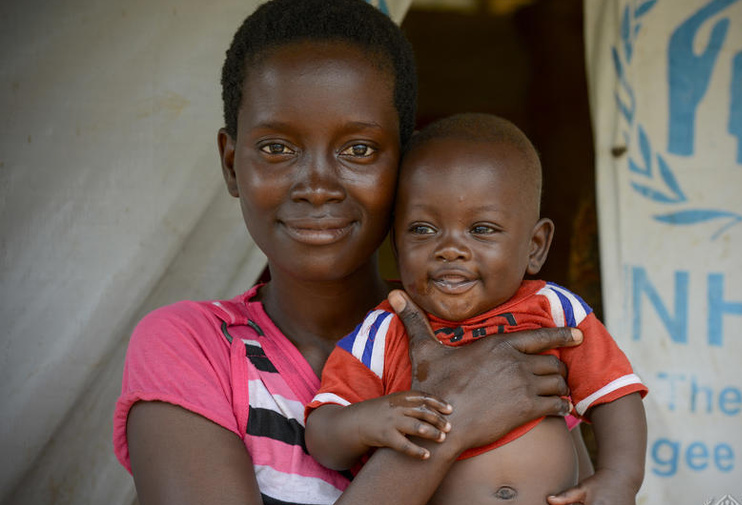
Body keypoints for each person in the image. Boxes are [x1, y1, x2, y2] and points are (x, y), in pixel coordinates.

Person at [113, 1, 581, 504]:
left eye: (358, 149)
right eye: (277, 148)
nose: (316, 186)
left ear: (405, 168)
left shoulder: (498, 334)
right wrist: (453, 418)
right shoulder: (193, 348)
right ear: (232, 164)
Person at [305, 113, 649, 505]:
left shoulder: (553, 309)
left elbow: (614, 393)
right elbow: (323, 436)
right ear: (396, 245)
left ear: (535, 246)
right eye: (422, 229)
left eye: (481, 229)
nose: (450, 248)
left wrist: (620, 477)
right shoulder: (384, 331)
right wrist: (369, 421)